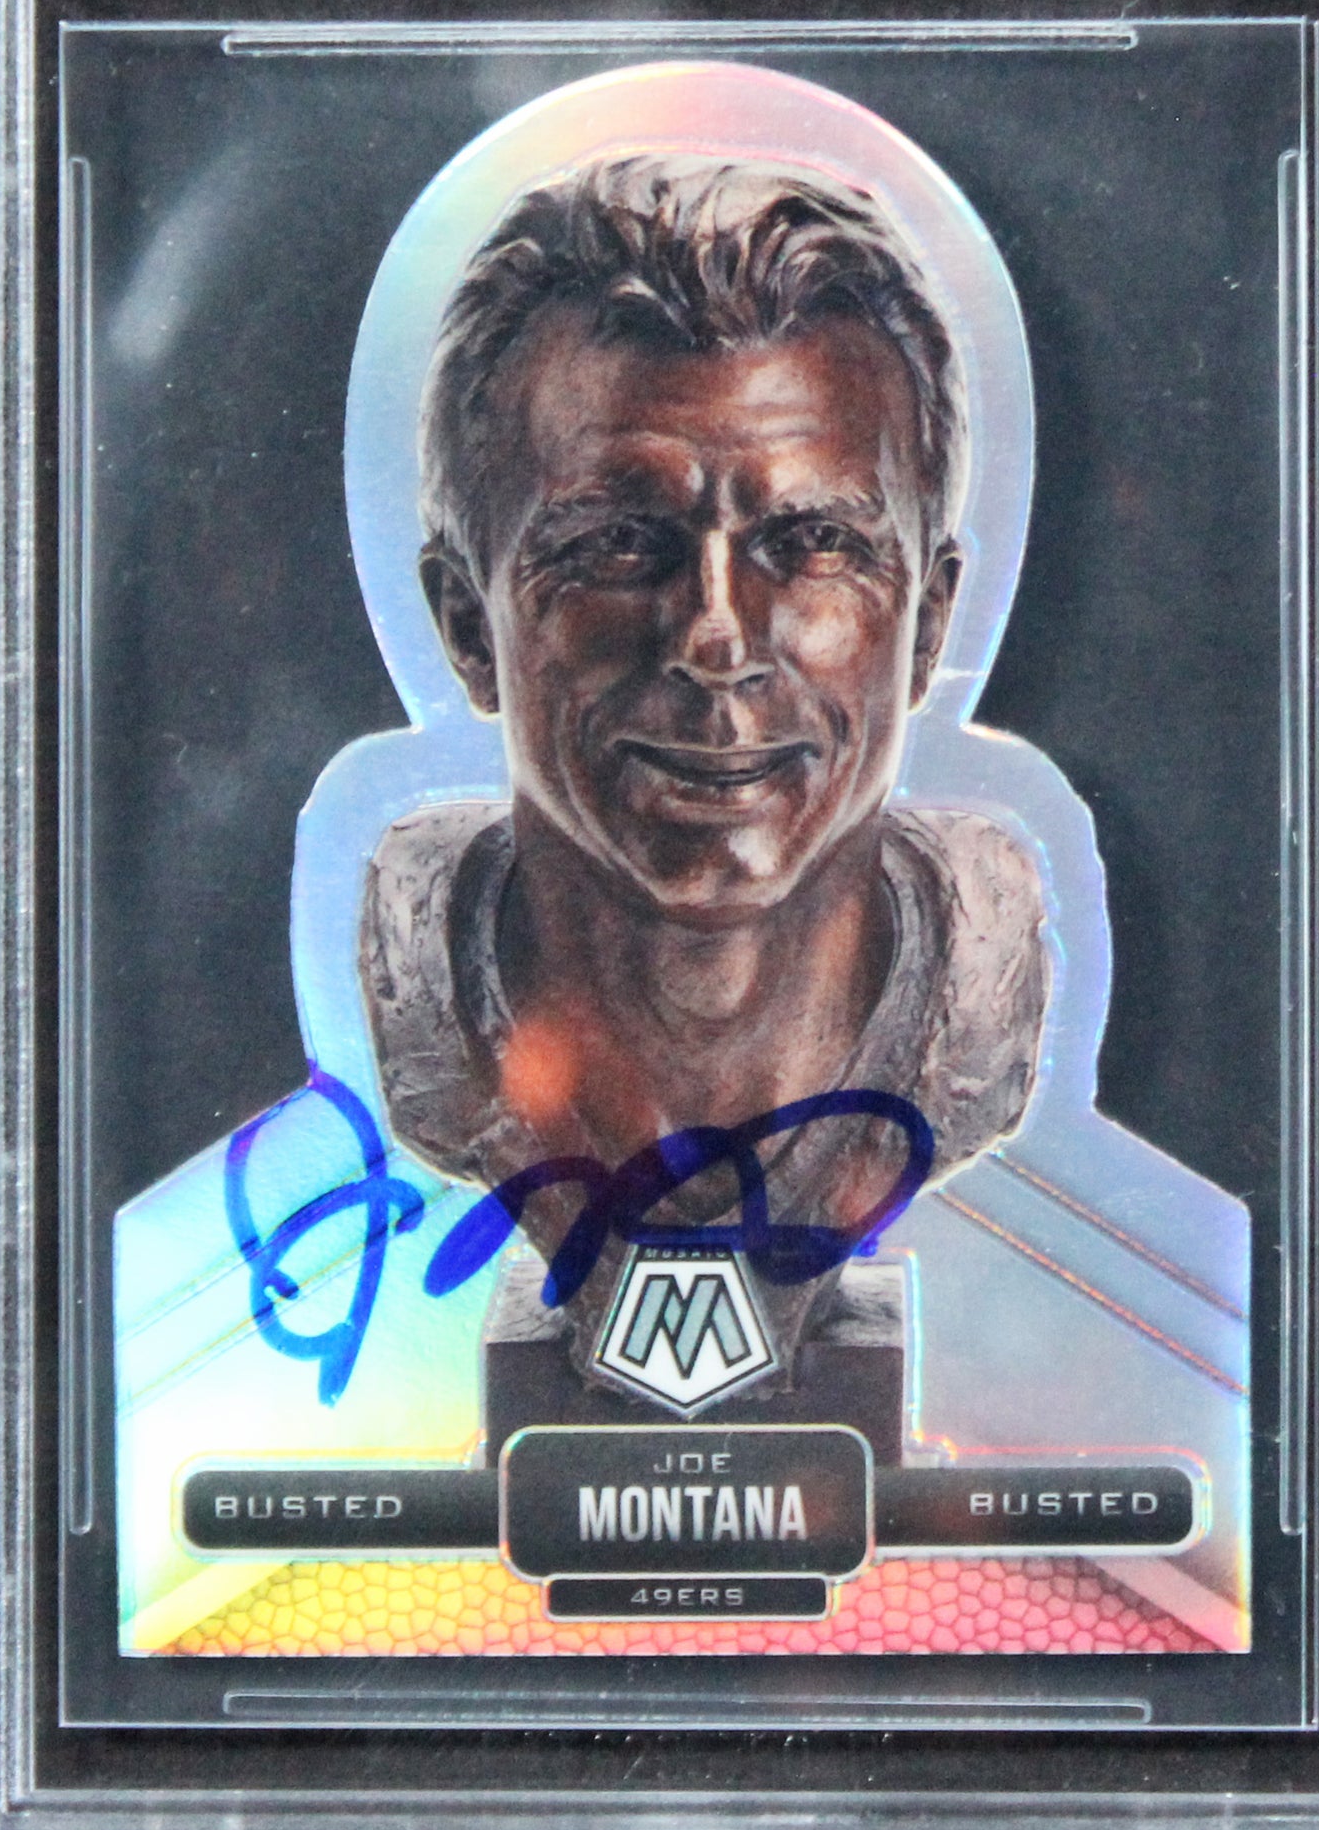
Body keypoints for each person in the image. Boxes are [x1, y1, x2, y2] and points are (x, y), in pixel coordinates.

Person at [359, 153, 1046, 1386]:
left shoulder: (974, 1007)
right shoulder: (427, 991)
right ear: (467, 626)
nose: (718, 638)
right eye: (619, 542)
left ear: (928, 624)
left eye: (814, 541)